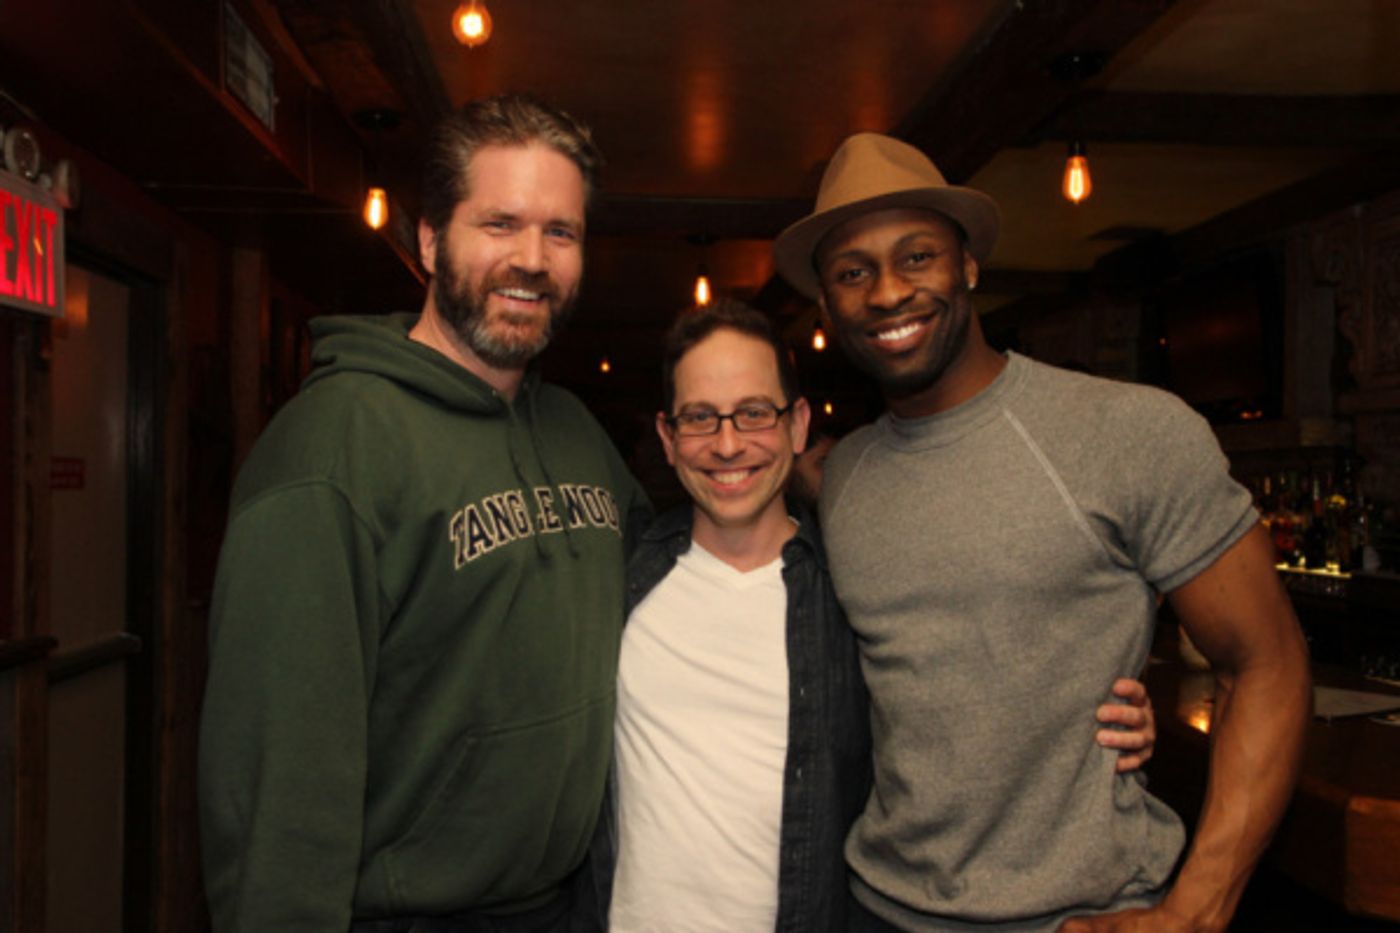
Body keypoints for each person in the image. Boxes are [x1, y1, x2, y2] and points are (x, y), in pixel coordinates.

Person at [772, 132, 1311, 932]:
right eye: (853, 272)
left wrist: (1198, 909)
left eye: (916, 256)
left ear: (970, 266)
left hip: (1079, 916)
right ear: (828, 306)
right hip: (878, 908)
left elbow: (1266, 662)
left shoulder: (1126, 431)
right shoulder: (841, 473)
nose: (887, 292)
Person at [198, 94, 649, 933]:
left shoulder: (577, 434)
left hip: (569, 904)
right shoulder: (332, 451)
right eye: (500, 223)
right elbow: (275, 783)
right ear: (431, 239)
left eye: (562, 232)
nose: (532, 259)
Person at [584, 300, 1159, 933]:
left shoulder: (857, 591)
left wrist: (1092, 715)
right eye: (700, 418)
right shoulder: (616, 580)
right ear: (668, 438)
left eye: (754, 413)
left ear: (797, 425)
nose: (727, 444)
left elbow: (970, 700)